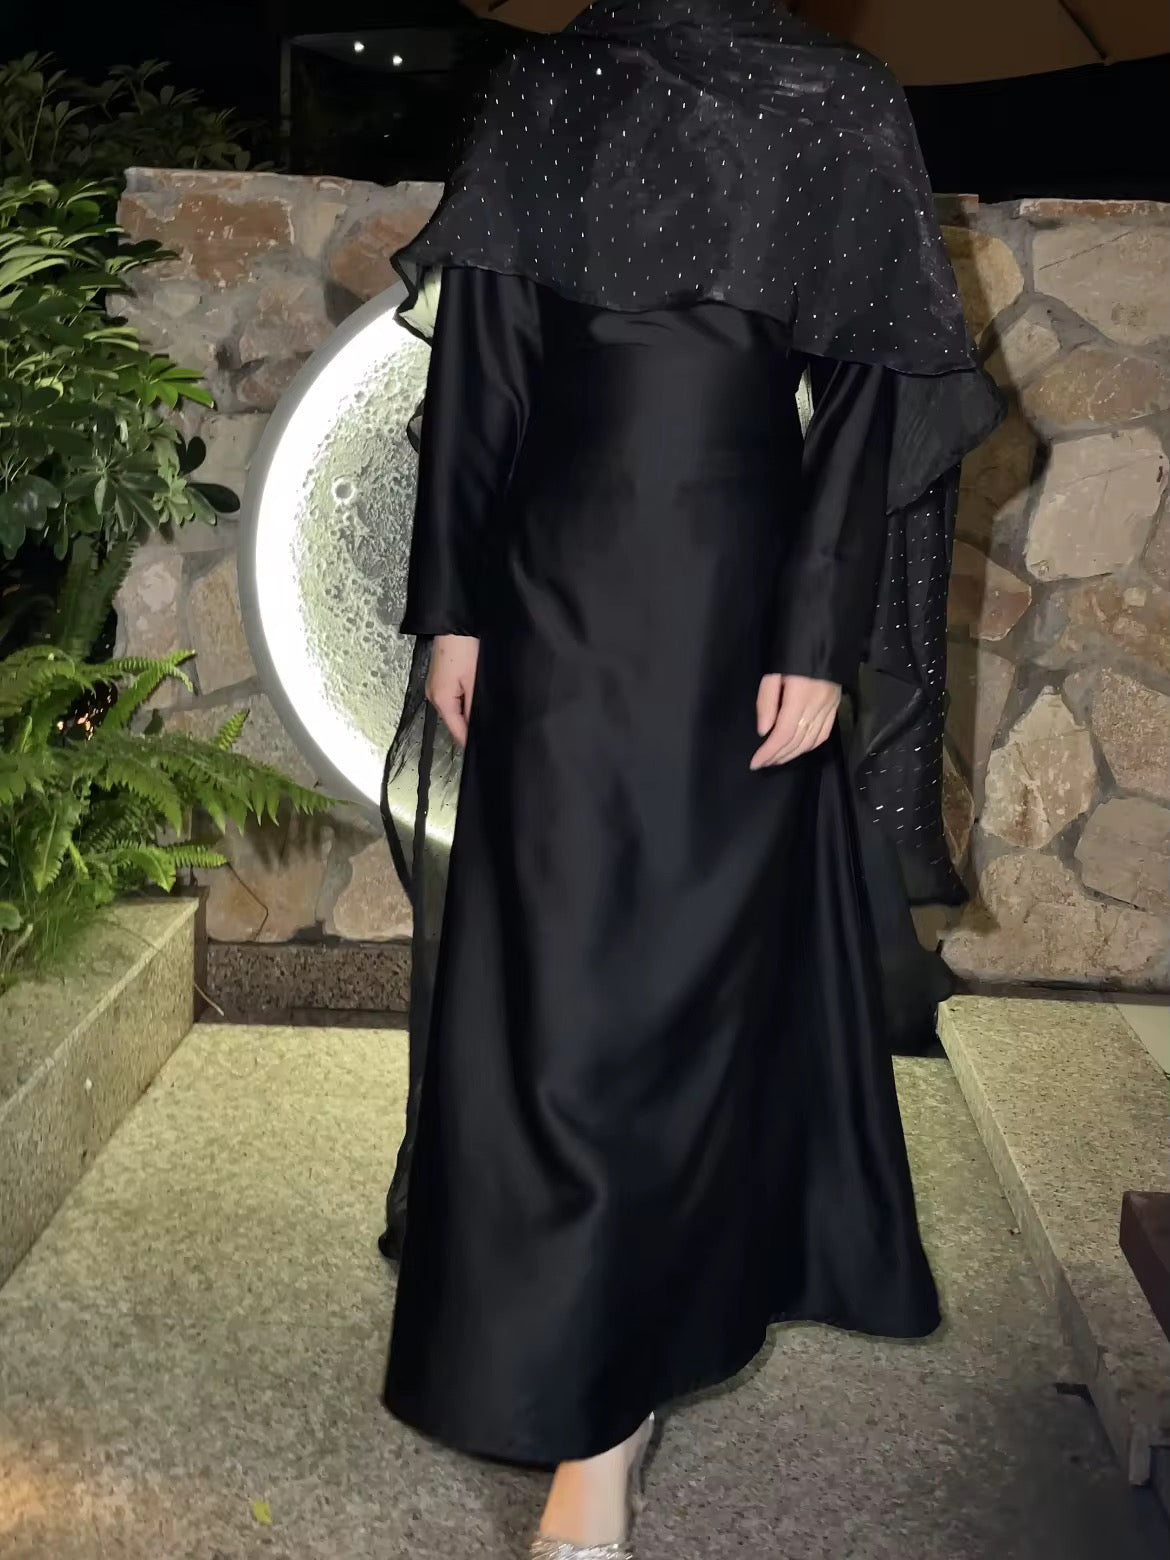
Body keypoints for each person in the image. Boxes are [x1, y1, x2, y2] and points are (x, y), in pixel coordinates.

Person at [378, 3, 1004, 1555]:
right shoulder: (552, 83)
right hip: (548, 593)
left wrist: (816, 632)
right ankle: (577, 1369)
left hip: (735, 604)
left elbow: (866, 390)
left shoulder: (837, 99)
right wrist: (453, 605)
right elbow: (484, 357)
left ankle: (608, 1404)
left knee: (673, 994)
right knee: (550, 986)